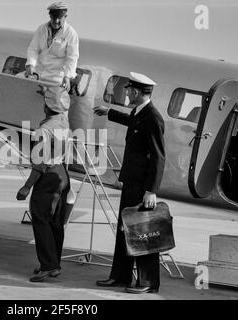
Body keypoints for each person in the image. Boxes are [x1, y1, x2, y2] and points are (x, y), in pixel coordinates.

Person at [93, 72, 165, 294]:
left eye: (128, 90)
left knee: (143, 233)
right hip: (132, 183)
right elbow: (132, 121)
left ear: (135, 92)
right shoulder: (140, 112)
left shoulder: (153, 117)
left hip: (142, 187)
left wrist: (151, 191)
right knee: (125, 231)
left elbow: (158, 156)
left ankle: (148, 282)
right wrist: (110, 112)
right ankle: (120, 276)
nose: (126, 93)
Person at [16, 86, 71, 282]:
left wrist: (26, 187)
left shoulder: (43, 131)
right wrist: (51, 96)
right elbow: (60, 109)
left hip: (48, 176)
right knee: (56, 222)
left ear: (47, 106)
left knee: (40, 219)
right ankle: (54, 264)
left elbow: (39, 165)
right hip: (63, 174)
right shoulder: (63, 121)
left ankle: (47, 266)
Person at [25, 1, 79, 91]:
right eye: (54, 18)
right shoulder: (41, 29)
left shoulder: (71, 33)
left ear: (65, 17)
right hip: (38, 72)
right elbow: (33, 49)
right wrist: (30, 65)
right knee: (18, 80)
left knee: (53, 97)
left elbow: (72, 58)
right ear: (50, 16)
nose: (56, 21)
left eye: (59, 18)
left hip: (56, 77)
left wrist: (67, 77)